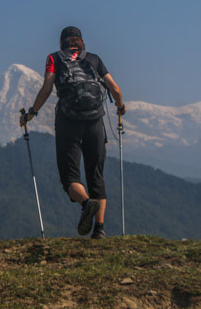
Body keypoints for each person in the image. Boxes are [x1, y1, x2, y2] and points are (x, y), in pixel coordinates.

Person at [20, 26, 125, 239]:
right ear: (81, 41)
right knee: (96, 175)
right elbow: (115, 88)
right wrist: (120, 106)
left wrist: (32, 112)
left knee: (70, 176)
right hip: (95, 122)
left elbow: (48, 87)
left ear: (62, 42)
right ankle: (100, 229)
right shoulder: (94, 59)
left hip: (68, 123)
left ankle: (87, 203)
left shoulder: (54, 59)